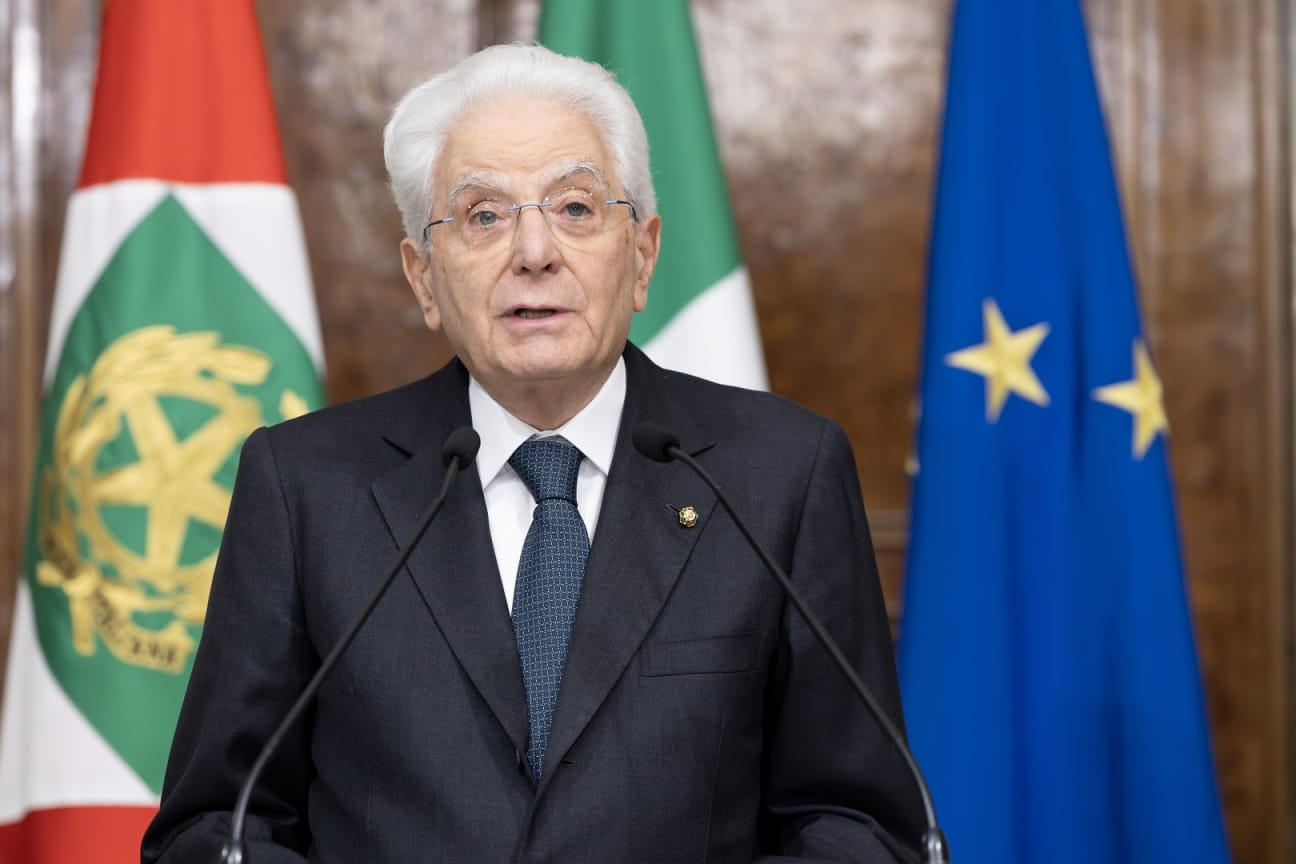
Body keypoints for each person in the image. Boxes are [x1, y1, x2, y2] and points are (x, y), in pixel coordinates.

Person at [142, 43, 924, 863]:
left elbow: (858, 825)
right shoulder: (306, 486)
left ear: (643, 254)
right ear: (423, 277)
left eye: (575, 207)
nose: (534, 251)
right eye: (483, 215)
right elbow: (212, 829)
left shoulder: (779, 475)